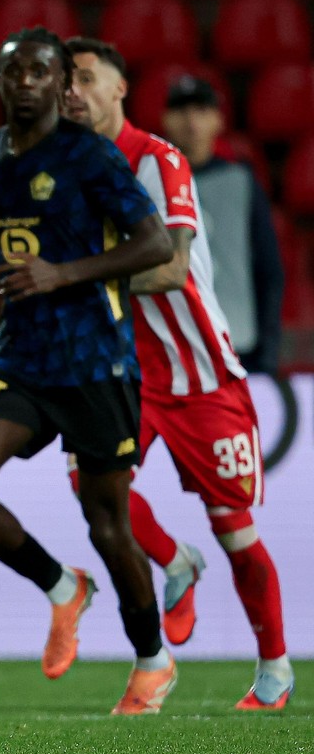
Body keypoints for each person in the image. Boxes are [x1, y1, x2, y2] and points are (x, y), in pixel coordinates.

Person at [0, 27, 178, 715]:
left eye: (40, 72)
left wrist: (62, 273)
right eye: (14, 72)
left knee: (107, 524)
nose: (27, 83)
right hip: (21, 358)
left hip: (96, 361)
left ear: (61, 83)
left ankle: (152, 660)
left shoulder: (89, 155)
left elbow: (155, 243)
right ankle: (62, 587)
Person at [65, 38, 293, 709]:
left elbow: (169, 267)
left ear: (119, 88)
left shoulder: (158, 160)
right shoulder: (65, 171)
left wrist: (76, 281)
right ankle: (174, 560)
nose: (73, 91)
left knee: (236, 531)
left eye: (87, 78)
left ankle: (275, 668)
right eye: (66, 81)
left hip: (199, 371)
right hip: (123, 372)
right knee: (90, 487)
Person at [162, 75, 284, 376]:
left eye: (201, 110)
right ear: (165, 120)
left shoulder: (241, 181)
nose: (191, 122)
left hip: (238, 344)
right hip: (172, 345)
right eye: (181, 110)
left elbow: (268, 269)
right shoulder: (151, 181)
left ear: (219, 120)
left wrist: (268, 351)